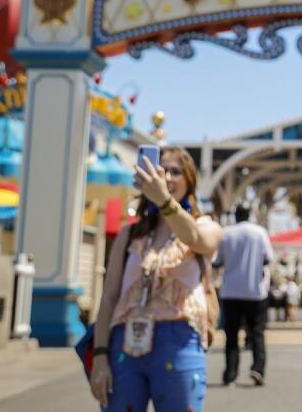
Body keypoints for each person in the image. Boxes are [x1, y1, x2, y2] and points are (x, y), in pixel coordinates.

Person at [88, 148, 223, 412]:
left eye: (175, 172)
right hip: (124, 341)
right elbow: (109, 298)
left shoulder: (206, 225)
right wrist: (100, 356)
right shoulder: (130, 234)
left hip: (179, 340)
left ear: (190, 180)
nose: (167, 178)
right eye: (162, 170)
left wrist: (163, 200)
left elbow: (196, 239)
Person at [217, 203, 274, 387]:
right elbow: (267, 258)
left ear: (235, 214)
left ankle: (230, 375)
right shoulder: (259, 232)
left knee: (231, 335)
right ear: (249, 214)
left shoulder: (226, 233)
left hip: (230, 291)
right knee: (257, 332)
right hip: (255, 291)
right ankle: (258, 368)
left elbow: (217, 261)